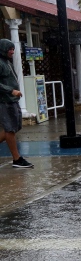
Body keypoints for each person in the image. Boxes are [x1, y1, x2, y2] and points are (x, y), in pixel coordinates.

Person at [0, 38, 33, 168]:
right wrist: (11, 90)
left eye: (13, 49)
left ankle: (17, 158)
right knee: (10, 129)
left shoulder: (7, 62)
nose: (12, 51)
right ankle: (17, 159)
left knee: (15, 126)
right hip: (5, 101)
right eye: (10, 49)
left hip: (12, 100)